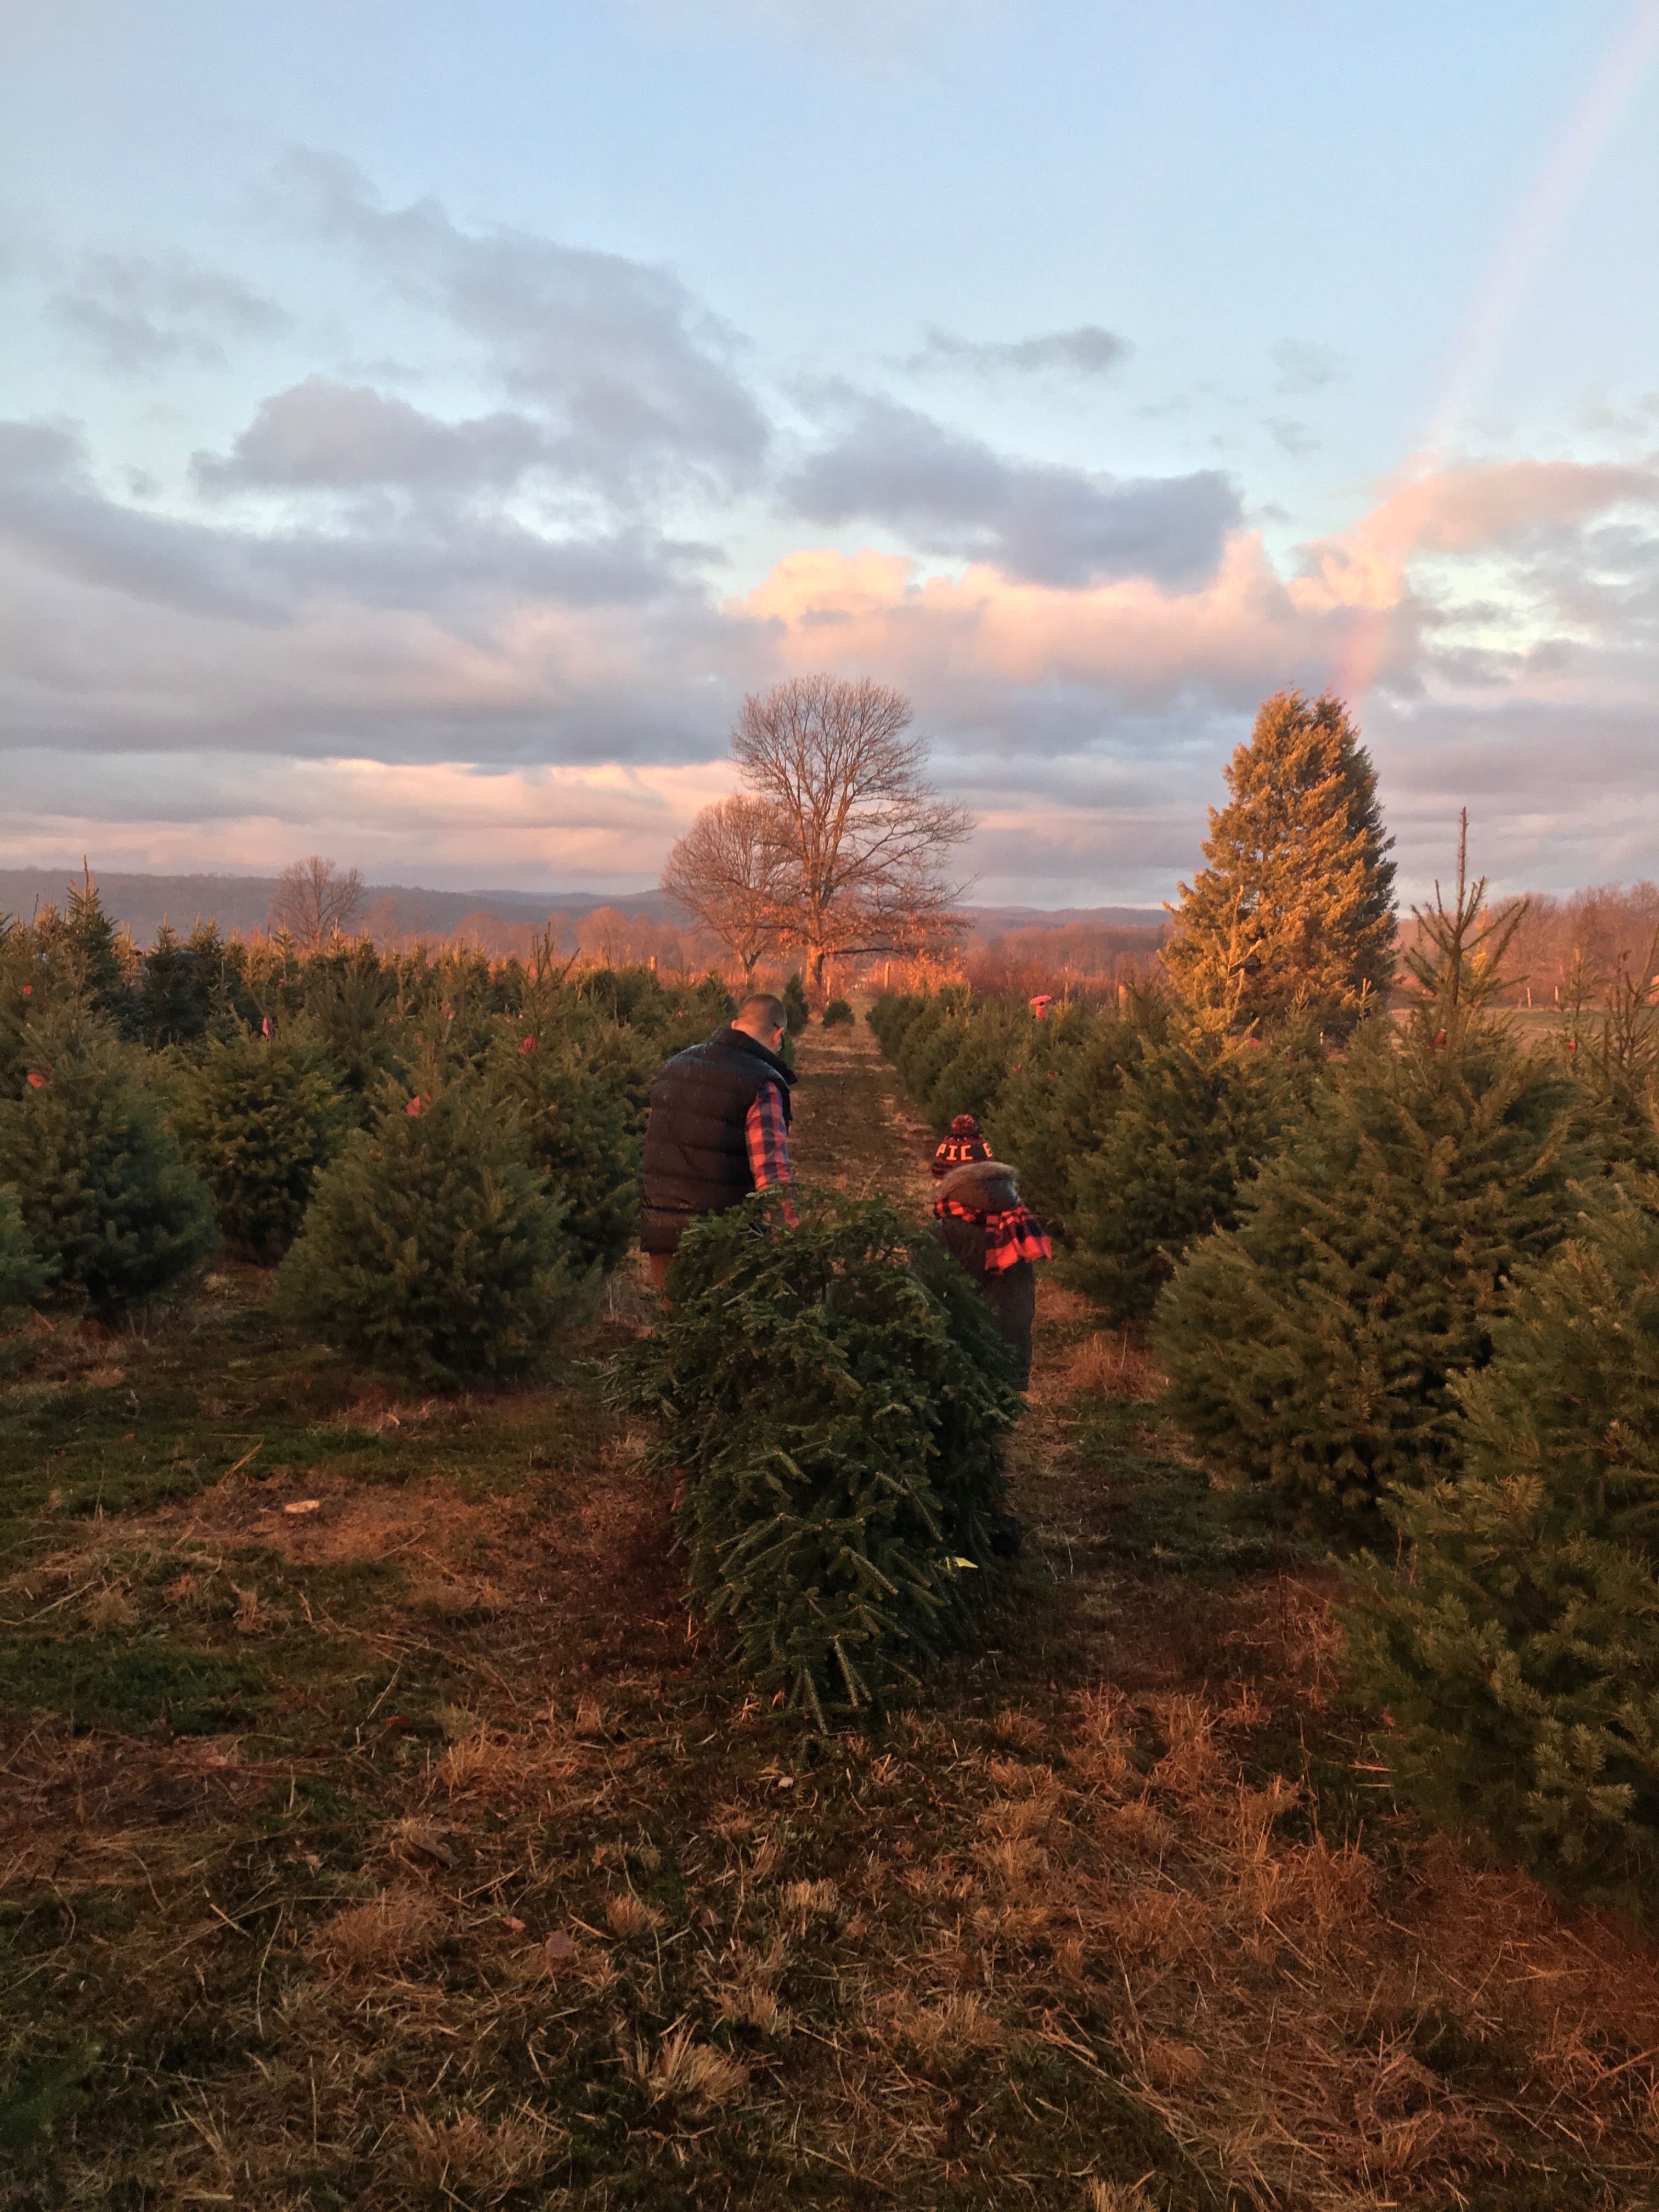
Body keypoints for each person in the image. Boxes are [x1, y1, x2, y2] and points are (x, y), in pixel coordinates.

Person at [640, 991, 797, 1288]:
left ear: (735, 1024)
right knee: (724, 1331)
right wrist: (792, 1240)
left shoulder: (672, 1068)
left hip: (661, 1233)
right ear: (779, 1034)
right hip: (724, 1242)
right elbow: (772, 1173)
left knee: (674, 1328)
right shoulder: (761, 1082)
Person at [930, 1113, 1051, 1390]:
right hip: (1012, 1354)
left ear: (953, 1182)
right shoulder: (1017, 1218)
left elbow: (920, 1291)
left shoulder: (949, 1228)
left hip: (964, 1359)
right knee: (1001, 1426)